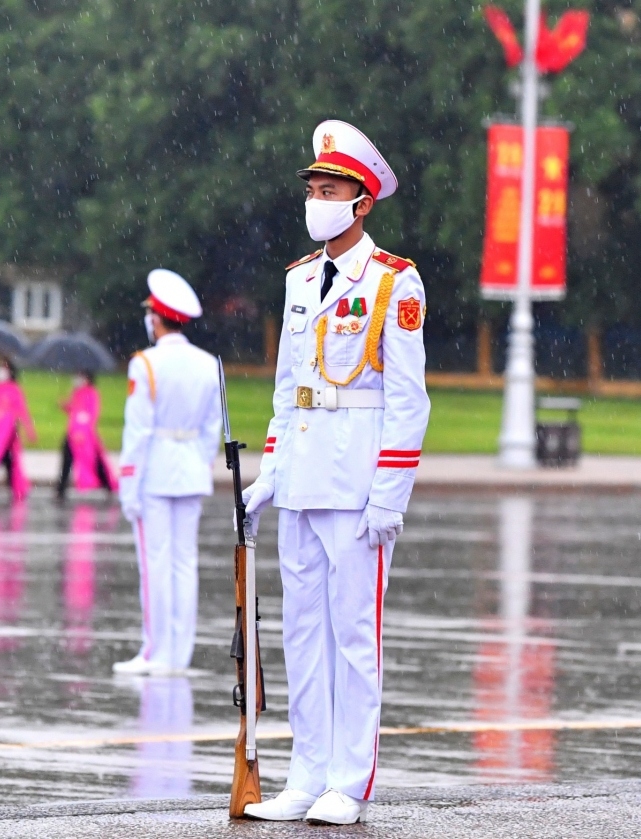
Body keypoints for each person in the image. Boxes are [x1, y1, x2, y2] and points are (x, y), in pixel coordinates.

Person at [240, 120, 430, 826]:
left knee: (355, 639)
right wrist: (269, 474)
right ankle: (306, 772)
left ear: (363, 202)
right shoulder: (297, 279)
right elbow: (289, 388)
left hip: (357, 487)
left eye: (331, 189)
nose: (317, 199)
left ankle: (349, 781)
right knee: (301, 636)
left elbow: (408, 399)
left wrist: (390, 493)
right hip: (301, 482)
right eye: (314, 187)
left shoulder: (393, 280)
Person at [112, 269, 221, 676]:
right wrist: (198, 460)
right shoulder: (209, 364)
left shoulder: (146, 364)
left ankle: (155, 652)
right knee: (183, 564)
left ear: (155, 318)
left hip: (156, 470)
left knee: (154, 563)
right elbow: (212, 427)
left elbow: (137, 431)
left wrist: (128, 484)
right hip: (191, 468)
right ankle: (178, 654)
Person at [0, 360, 36, 501]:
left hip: (9, 429)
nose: (0, 371)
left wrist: (29, 430)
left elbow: (22, 411)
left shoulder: (15, 389)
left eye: (4, 369)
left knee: (5, 457)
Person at [56, 370, 117, 499]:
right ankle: (61, 490)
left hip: (85, 434)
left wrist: (82, 431)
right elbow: (75, 409)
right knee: (67, 460)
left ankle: (108, 485)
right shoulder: (76, 392)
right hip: (72, 432)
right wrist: (65, 405)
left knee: (94, 461)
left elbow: (90, 414)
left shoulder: (92, 393)